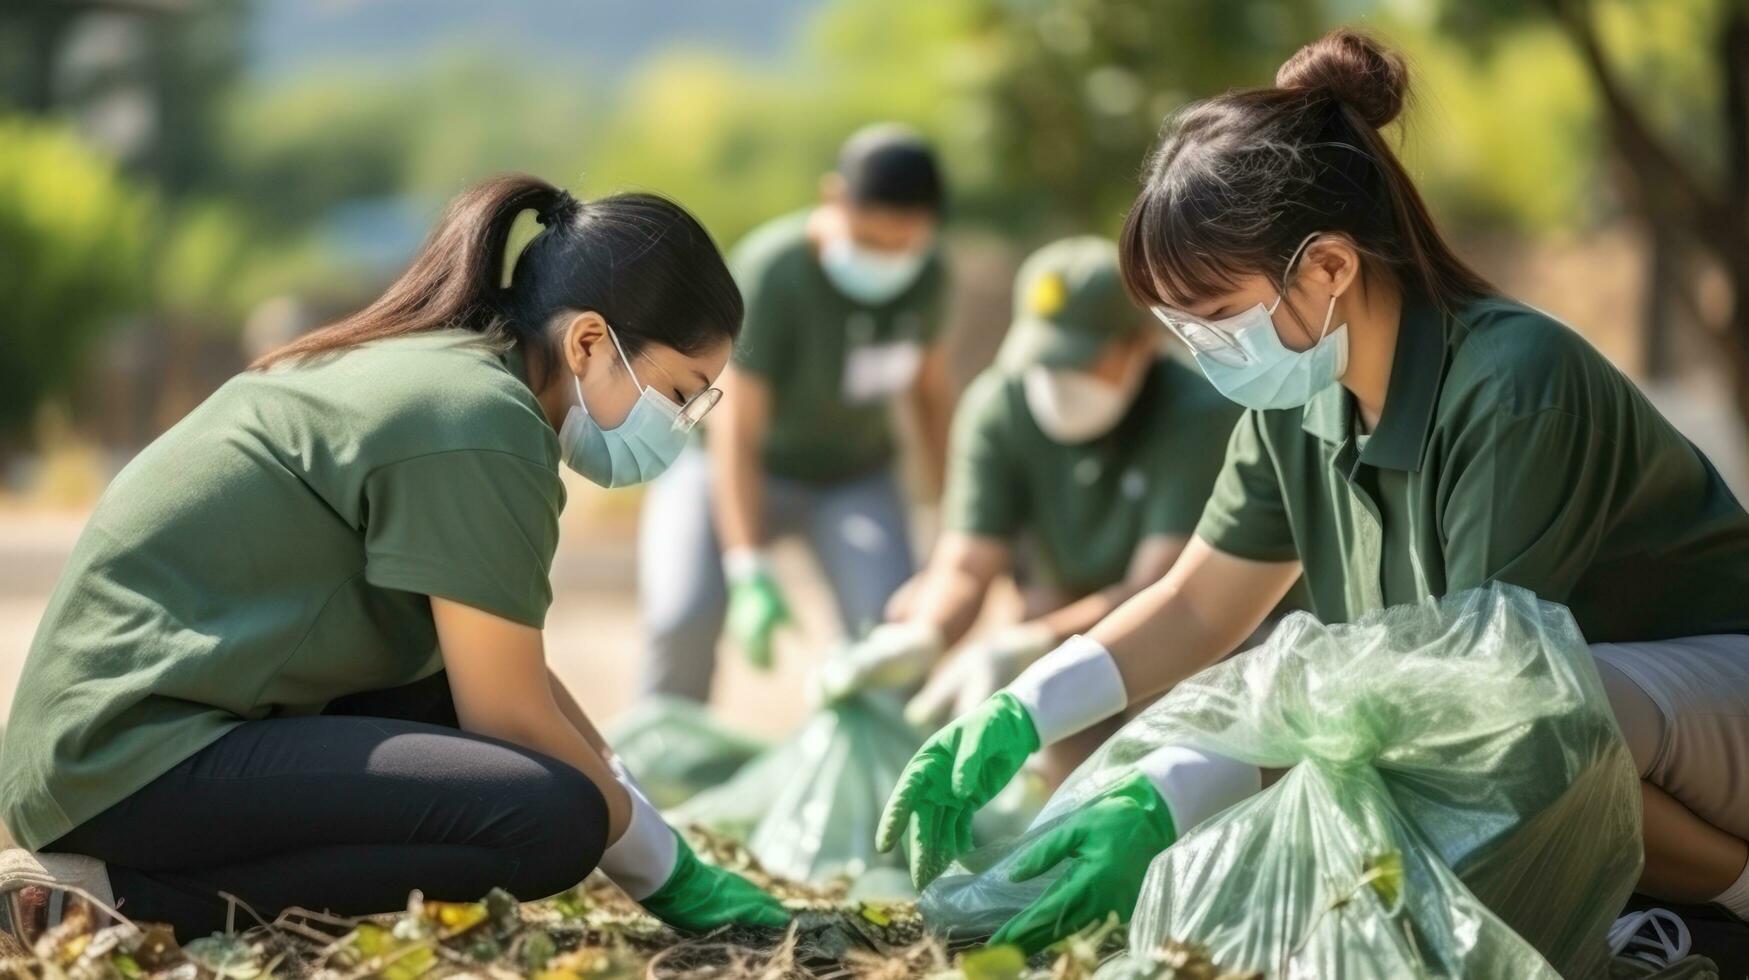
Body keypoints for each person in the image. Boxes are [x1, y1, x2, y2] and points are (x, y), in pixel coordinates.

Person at [875, 29, 1749, 954]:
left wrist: (1178, 789)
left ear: (1329, 267)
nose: (1200, 349)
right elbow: (1195, 602)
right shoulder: (1299, 401)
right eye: (1179, 324)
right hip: (1550, 734)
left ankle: (1733, 897)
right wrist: (1025, 708)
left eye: (1216, 317)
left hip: (1698, 709)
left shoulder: (1514, 382)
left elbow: (1481, 691)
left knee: (1521, 711)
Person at [0, 175, 789, 943]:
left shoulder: (450, 372)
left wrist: (645, 817)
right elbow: (508, 714)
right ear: (589, 341)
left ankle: (124, 882)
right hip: (131, 755)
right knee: (551, 820)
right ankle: (111, 899)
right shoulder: (481, 420)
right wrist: (657, 865)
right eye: (680, 393)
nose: (683, 424)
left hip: (113, 742)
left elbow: (504, 670)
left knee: (529, 760)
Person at [820, 236, 1243, 785]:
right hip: (1066, 615)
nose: (1058, 381)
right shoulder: (998, 409)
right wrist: (926, 633)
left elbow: (1164, 591)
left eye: (1080, 362)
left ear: (1140, 345)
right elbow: (967, 563)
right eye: (1044, 360)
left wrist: (1033, 643)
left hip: (1186, 638)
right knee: (1058, 782)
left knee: (1164, 751)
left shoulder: (1197, 413)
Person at [637, 124, 953, 700]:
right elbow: (736, 427)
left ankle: (885, 779)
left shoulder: (928, 278)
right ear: (836, 199)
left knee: (894, 636)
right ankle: (659, 771)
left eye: (902, 242)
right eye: (871, 239)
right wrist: (748, 565)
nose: (887, 256)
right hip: (732, 467)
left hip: (852, 476)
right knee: (682, 616)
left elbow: (929, 394)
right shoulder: (775, 270)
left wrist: (949, 516)